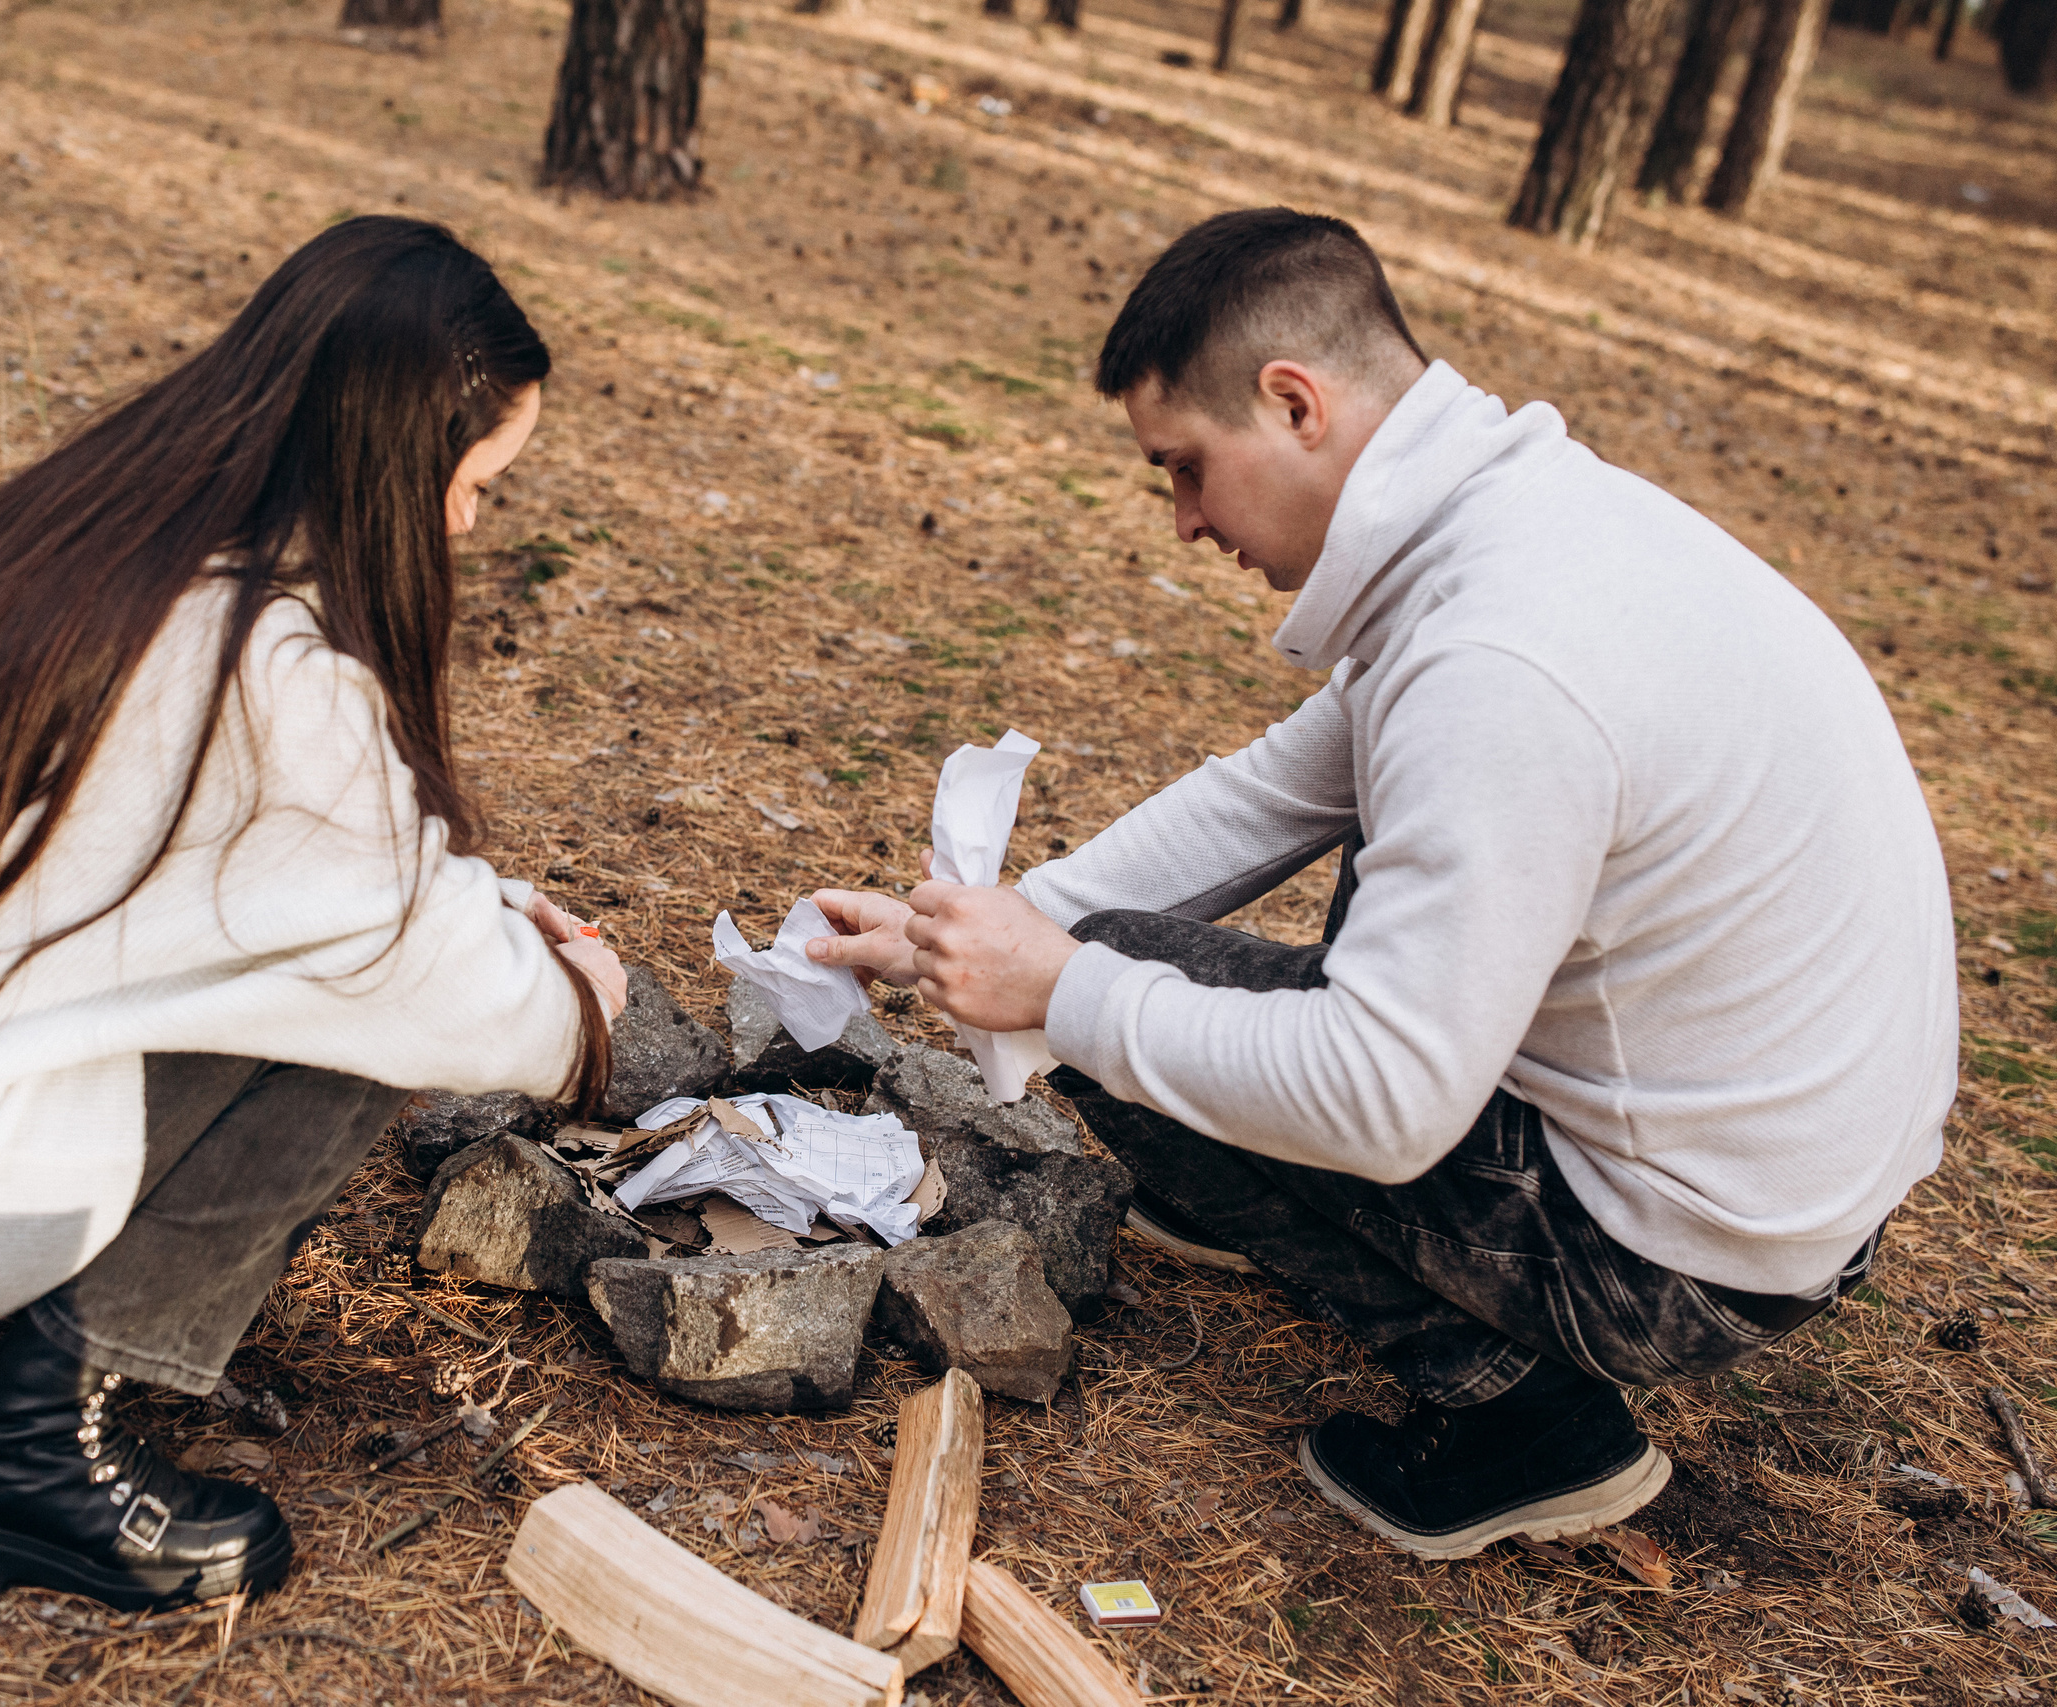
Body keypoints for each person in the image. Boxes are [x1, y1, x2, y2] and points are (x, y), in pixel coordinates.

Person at [811, 207, 1954, 1560]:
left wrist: (1061, 991)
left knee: (1121, 1010)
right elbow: (1279, 790)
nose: (1182, 523)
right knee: (1126, 973)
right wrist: (974, 929)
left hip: (1688, 1255)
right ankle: (1262, 1179)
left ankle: (1531, 1421)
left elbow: (1386, 1100)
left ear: (1294, 403)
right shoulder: (1530, 527)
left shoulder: (1496, 666)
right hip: (1793, 1170)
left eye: (1185, 469)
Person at [0, 217, 625, 1612]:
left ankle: (12, 1328)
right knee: (378, 1010)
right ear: (394, 458)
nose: (468, 523)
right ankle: (38, 1451)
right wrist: (587, 1004)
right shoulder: (266, 668)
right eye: (475, 484)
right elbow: (428, 958)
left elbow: (317, 875)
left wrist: (488, 916)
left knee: (368, 953)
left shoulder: (115, 538)